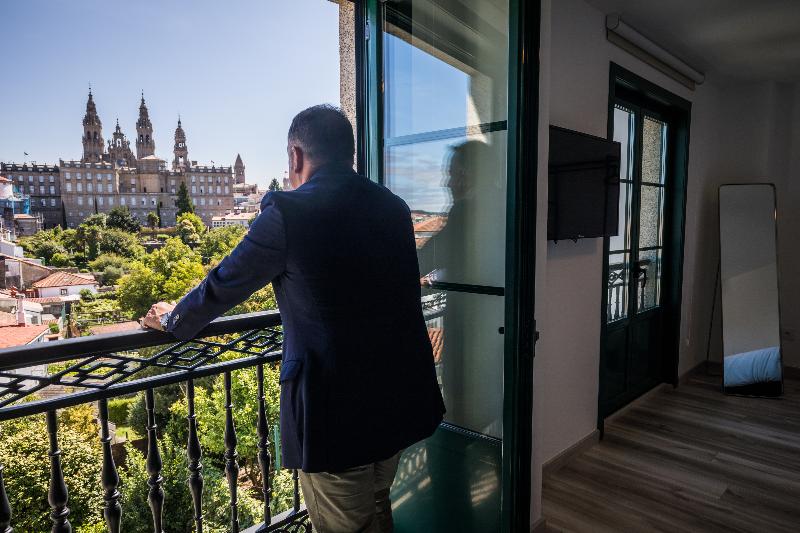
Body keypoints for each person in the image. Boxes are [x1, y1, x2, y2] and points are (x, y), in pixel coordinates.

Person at [142, 104, 445, 533]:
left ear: (296, 156)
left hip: (336, 416)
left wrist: (174, 319)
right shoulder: (393, 208)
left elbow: (224, 283)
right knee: (377, 506)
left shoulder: (289, 212)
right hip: (397, 403)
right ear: (350, 154)